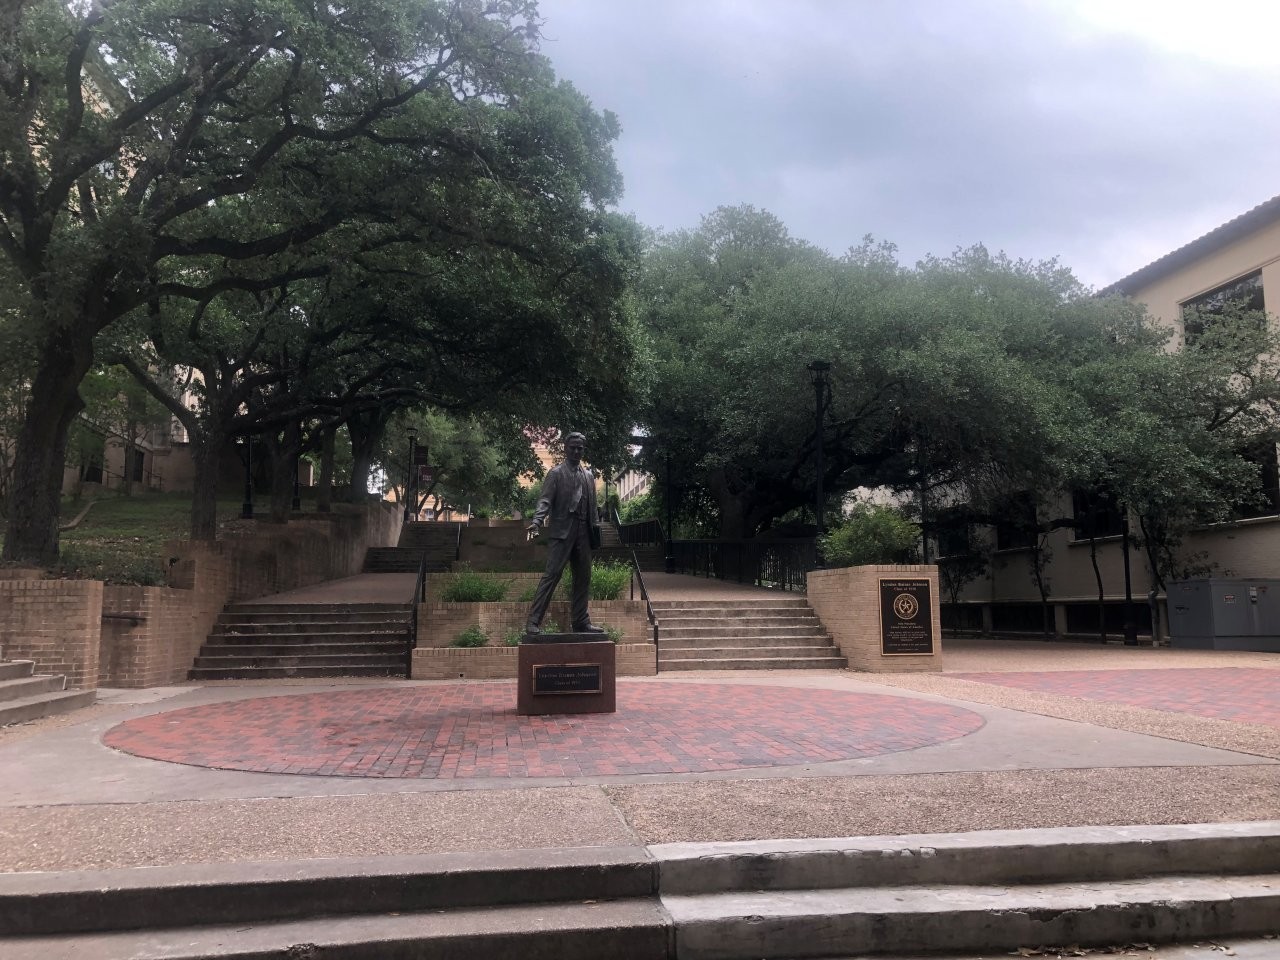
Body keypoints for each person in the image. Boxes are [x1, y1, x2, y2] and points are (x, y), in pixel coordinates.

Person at [524, 432, 604, 635]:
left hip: (584, 533)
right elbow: (545, 500)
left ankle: (580, 621)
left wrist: (594, 531)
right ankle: (533, 621)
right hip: (562, 533)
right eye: (573, 447)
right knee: (551, 576)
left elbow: (593, 508)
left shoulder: (588, 476)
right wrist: (537, 521)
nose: (576, 451)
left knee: (583, 578)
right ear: (565, 448)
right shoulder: (556, 473)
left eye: (580, 448)